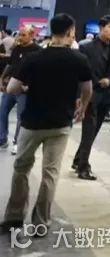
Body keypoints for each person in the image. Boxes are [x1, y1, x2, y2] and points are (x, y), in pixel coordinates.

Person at [0, 15, 91, 231]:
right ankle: (41, 221)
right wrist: (82, 108)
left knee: (21, 168)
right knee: (50, 173)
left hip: (32, 122)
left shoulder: (34, 58)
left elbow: (12, 88)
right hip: (60, 124)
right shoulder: (79, 59)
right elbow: (87, 89)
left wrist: (27, 88)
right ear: (70, 32)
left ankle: (14, 217)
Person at [73, 15, 110, 180]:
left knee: (94, 130)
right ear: (101, 28)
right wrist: (79, 96)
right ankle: (83, 167)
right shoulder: (86, 47)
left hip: (106, 95)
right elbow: (80, 72)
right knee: (89, 129)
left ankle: (78, 159)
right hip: (90, 93)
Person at [0, 26, 41, 154]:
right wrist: (2, 78)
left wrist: (29, 85)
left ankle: (17, 142)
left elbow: (39, 71)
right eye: (20, 34)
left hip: (24, 89)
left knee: (21, 117)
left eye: (23, 35)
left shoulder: (37, 51)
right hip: (11, 86)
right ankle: (2, 139)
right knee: (2, 111)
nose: (20, 37)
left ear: (31, 35)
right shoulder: (17, 48)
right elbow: (10, 64)